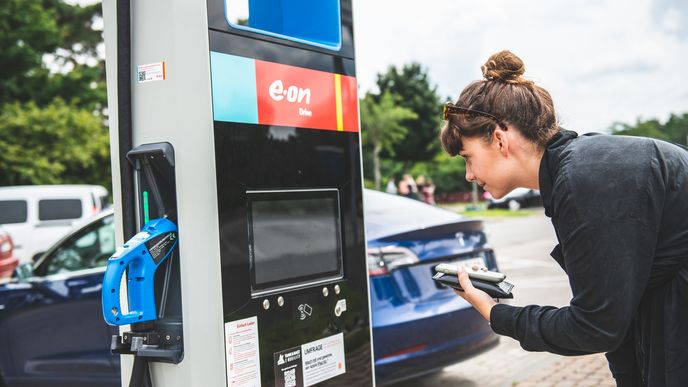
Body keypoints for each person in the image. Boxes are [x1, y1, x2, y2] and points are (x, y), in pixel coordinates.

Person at [440, 50, 688, 386]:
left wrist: (495, 313)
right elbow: (613, 319)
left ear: (500, 139)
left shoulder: (583, 178)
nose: (468, 174)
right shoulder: (574, 170)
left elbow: (594, 327)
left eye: (467, 157)